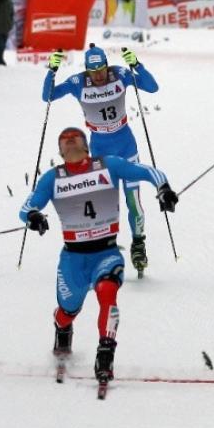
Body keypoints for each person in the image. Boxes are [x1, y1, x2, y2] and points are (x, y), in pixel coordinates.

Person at [20, 128, 178, 385]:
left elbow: (149, 172)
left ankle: (105, 353)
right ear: (60, 152)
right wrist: (33, 216)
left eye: (76, 139)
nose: (70, 142)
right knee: (68, 310)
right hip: (73, 260)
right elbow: (28, 206)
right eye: (65, 141)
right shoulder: (53, 178)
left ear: (86, 146)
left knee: (107, 292)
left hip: (106, 252)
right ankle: (62, 327)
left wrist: (164, 189)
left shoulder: (108, 165)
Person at [44, 45, 160, 274]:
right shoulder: (78, 83)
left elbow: (152, 87)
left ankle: (138, 243)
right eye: (93, 71)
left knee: (133, 202)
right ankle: (103, 246)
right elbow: (47, 96)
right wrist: (51, 70)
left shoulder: (120, 74)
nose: (98, 75)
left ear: (107, 65)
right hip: (99, 152)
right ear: (86, 69)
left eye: (101, 69)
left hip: (126, 147)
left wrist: (136, 64)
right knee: (102, 204)